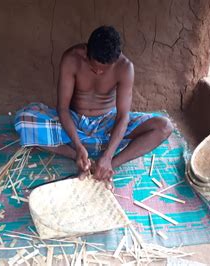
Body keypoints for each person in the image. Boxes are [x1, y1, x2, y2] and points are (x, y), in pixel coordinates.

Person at [14, 26, 173, 186]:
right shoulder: (72, 59)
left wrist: (109, 156)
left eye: (103, 70)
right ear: (86, 52)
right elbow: (62, 108)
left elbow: (123, 116)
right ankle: (81, 156)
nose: (97, 72)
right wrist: (77, 146)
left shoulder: (125, 67)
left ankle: (105, 165)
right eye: (93, 67)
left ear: (115, 60)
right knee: (24, 120)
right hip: (75, 122)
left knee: (164, 126)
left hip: (108, 124)